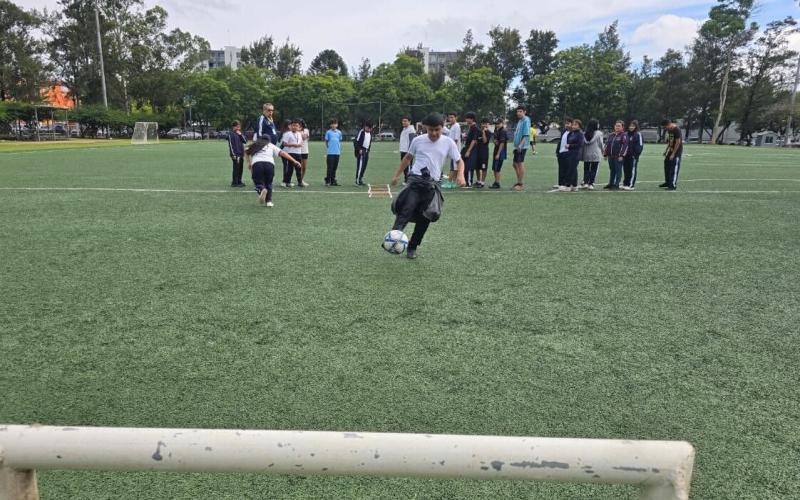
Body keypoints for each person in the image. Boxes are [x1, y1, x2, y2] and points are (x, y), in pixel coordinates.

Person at [390, 113, 465, 259]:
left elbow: (459, 161)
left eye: (437, 129)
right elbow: (408, 158)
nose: (434, 133)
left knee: (426, 217)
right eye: (430, 130)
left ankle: (412, 247)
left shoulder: (448, 142)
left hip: (432, 184)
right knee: (406, 208)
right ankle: (393, 239)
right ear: (425, 128)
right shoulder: (418, 140)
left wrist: (461, 175)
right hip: (415, 180)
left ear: (442, 128)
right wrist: (397, 174)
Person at [245, 137, 301, 208]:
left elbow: (246, 151)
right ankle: (269, 202)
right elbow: (283, 153)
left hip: (257, 164)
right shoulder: (271, 145)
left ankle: (262, 189)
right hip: (269, 165)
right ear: (269, 140)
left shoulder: (256, 144)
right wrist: (294, 161)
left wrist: (249, 162)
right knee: (269, 184)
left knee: (258, 182)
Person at [560, 119, 585, 192]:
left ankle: (567, 186)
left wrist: (570, 145)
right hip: (570, 153)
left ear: (579, 126)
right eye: (573, 124)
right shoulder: (572, 133)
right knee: (573, 170)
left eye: (576, 125)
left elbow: (580, 144)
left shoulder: (580, 133)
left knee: (571, 170)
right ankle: (574, 185)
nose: (573, 126)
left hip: (575, 154)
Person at [603, 120, 629, 190]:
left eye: (619, 126)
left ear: (622, 127)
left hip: (618, 157)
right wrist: (605, 154)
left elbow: (625, 146)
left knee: (618, 171)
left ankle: (616, 184)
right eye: (616, 126)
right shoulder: (611, 135)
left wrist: (621, 155)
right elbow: (607, 145)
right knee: (612, 170)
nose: (617, 127)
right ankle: (611, 183)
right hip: (610, 157)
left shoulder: (624, 135)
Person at [512, 106, 531, 191]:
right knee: (515, 164)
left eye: (520, 111)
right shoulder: (520, 121)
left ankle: (520, 183)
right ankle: (519, 180)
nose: (518, 113)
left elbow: (526, 134)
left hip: (522, 146)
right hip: (517, 146)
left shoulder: (526, 120)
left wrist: (520, 145)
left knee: (520, 163)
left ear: (524, 112)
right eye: (517, 111)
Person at [280, 119, 304, 188]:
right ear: (290, 126)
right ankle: (287, 182)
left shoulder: (299, 134)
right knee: (290, 169)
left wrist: (300, 144)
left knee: (299, 168)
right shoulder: (287, 134)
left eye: (296, 126)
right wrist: (294, 145)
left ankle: (300, 182)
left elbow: (301, 142)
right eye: (293, 125)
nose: (295, 127)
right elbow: (284, 144)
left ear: (299, 127)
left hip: (298, 153)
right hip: (290, 153)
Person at [581, 119, 603, 190]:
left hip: (587, 153)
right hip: (595, 153)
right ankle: (591, 183)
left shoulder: (585, 133)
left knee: (586, 169)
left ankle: (585, 182)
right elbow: (600, 144)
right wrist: (603, 151)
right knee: (594, 169)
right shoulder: (599, 133)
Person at [660, 119, 683, 190]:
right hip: (670, 151)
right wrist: (666, 150)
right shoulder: (670, 130)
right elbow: (670, 141)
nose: (665, 129)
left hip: (676, 152)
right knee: (667, 165)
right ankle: (668, 182)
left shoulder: (677, 130)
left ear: (668, 124)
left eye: (665, 127)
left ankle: (672, 185)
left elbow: (678, 142)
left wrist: (673, 154)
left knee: (674, 168)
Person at [622, 120, 644, 191]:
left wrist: (636, 154)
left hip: (633, 156)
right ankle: (625, 183)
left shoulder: (638, 134)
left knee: (632, 170)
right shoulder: (626, 134)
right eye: (630, 126)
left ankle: (631, 185)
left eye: (633, 126)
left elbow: (640, 146)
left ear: (636, 127)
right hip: (625, 156)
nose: (631, 127)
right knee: (626, 170)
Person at [553, 118, 573, 192]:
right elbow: (560, 141)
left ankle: (566, 184)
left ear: (572, 124)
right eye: (566, 123)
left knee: (567, 169)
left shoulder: (573, 132)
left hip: (568, 153)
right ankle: (560, 183)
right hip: (561, 153)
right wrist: (557, 151)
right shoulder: (564, 131)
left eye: (568, 123)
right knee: (561, 169)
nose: (566, 125)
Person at [461, 112, 479, 188]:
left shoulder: (475, 128)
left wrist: (468, 151)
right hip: (466, 148)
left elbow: (474, 140)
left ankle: (469, 183)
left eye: (467, 118)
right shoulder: (470, 127)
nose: (466, 119)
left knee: (469, 166)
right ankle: (465, 182)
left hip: (471, 149)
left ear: (472, 119)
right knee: (464, 165)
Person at [227, 120, 247, 187]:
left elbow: (245, 141)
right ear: (234, 127)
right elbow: (231, 145)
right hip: (235, 155)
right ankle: (234, 183)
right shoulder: (230, 134)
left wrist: (240, 134)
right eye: (238, 126)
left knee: (240, 168)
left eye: (239, 126)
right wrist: (233, 154)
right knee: (236, 168)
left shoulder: (239, 133)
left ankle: (239, 181)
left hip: (241, 154)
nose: (239, 128)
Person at [474, 117, 493, 188]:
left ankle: (482, 182)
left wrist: (483, 132)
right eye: (483, 123)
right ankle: (478, 181)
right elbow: (475, 141)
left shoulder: (488, 132)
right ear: (481, 124)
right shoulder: (478, 131)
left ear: (488, 124)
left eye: (486, 124)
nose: (484, 125)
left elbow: (485, 141)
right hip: (477, 152)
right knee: (477, 168)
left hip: (484, 153)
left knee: (484, 168)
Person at [490, 118, 508, 189]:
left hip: (500, 152)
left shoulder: (503, 131)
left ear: (502, 123)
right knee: (494, 168)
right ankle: (496, 182)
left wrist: (498, 154)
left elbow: (502, 143)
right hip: (496, 150)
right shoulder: (496, 130)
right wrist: (494, 141)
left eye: (498, 123)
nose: (497, 125)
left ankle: (497, 183)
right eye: (496, 124)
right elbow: (495, 140)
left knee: (497, 168)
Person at [353, 120, 373, 186]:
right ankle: (357, 181)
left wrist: (368, 150)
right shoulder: (361, 132)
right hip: (361, 151)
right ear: (365, 127)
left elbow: (369, 142)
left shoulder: (370, 133)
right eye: (367, 128)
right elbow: (355, 141)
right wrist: (359, 149)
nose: (369, 129)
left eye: (370, 128)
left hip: (366, 151)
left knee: (364, 166)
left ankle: (361, 179)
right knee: (360, 166)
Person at [324, 118, 343, 186]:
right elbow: (326, 141)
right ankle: (327, 181)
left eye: (335, 123)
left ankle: (333, 180)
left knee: (335, 167)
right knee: (330, 167)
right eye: (332, 124)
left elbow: (339, 140)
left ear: (337, 125)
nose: (333, 125)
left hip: (337, 153)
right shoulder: (328, 132)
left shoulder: (339, 132)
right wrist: (329, 148)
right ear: (330, 125)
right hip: (330, 153)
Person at [445, 112, 462, 186]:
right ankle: (453, 183)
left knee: (453, 167)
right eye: (449, 117)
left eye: (452, 117)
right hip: (454, 150)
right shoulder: (453, 126)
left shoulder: (456, 126)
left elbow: (456, 139)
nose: (451, 119)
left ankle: (450, 183)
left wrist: (452, 149)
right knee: (454, 167)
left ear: (456, 118)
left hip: (455, 150)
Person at [399, 116, 417, 182]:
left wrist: (410, 152)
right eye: (403, 121)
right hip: (403, 150)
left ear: (409, 122)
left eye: (405, 121)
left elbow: (412, 141)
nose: (403, 122)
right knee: (404, 166)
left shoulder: (411, 129)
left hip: (408, 152)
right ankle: (406, 179)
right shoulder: (404, 129)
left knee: (408, 166)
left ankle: (409, 180)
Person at [299, 119, 310, 187]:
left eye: (300, 124)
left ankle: (301, 180)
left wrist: (299, 133)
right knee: (298, 167)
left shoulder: (306, 130)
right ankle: (298, 180)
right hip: (297, 151)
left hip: (305, 150)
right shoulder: (295, 131)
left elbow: (304, 137)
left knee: (304, 167)